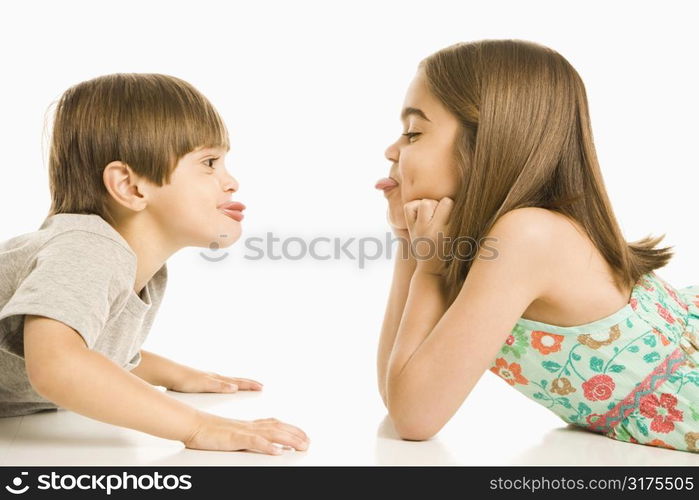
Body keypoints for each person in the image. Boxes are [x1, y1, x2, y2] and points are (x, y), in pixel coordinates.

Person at [375, 39, 699, 453]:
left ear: (487, 141)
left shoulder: (527, 235)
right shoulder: (485, 242)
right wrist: (411, 243)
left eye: (414, 133)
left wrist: (430, 268)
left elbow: (414, 416)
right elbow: (398, 389)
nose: (391, 149)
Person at [0, 73, 309, 456]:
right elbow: (57, 364)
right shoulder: (88, 250)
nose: (231, 181)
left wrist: (176, 374)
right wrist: (198, 425)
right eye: (209, 162)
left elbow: (90, 347)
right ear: (130, 187)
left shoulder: (132, 267)